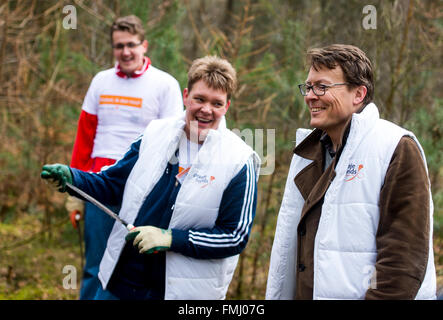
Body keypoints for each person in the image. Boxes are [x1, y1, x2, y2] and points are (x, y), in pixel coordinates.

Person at [41, 55, 261, 300]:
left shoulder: (239, 160)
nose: (206, 110)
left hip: (180, 294)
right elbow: (113, 184)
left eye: (216, 103)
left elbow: (235, 237)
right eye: (199, 99)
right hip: (121, 284)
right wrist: (72, 178)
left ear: (227, 106)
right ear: (186, 96)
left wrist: (170, 239)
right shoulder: (156, 132)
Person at [266, 44, 436, 300]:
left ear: (358, 94)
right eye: (308, 87)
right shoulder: (308, 154)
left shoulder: (395, 147)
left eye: (322, 86)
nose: (311, 95)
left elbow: (404, 261)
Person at [65, 15, 183, 300]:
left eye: (131, 45)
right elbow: (85, 137)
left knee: (137, 266)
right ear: (113, 49)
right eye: (119, 46)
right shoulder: (100, 81)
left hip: (143, 185)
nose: (126, 52)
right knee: (95, 264)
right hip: (99, 185)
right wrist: (73, 191)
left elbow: (174, 141)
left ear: (144, 45)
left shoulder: (165, 84)